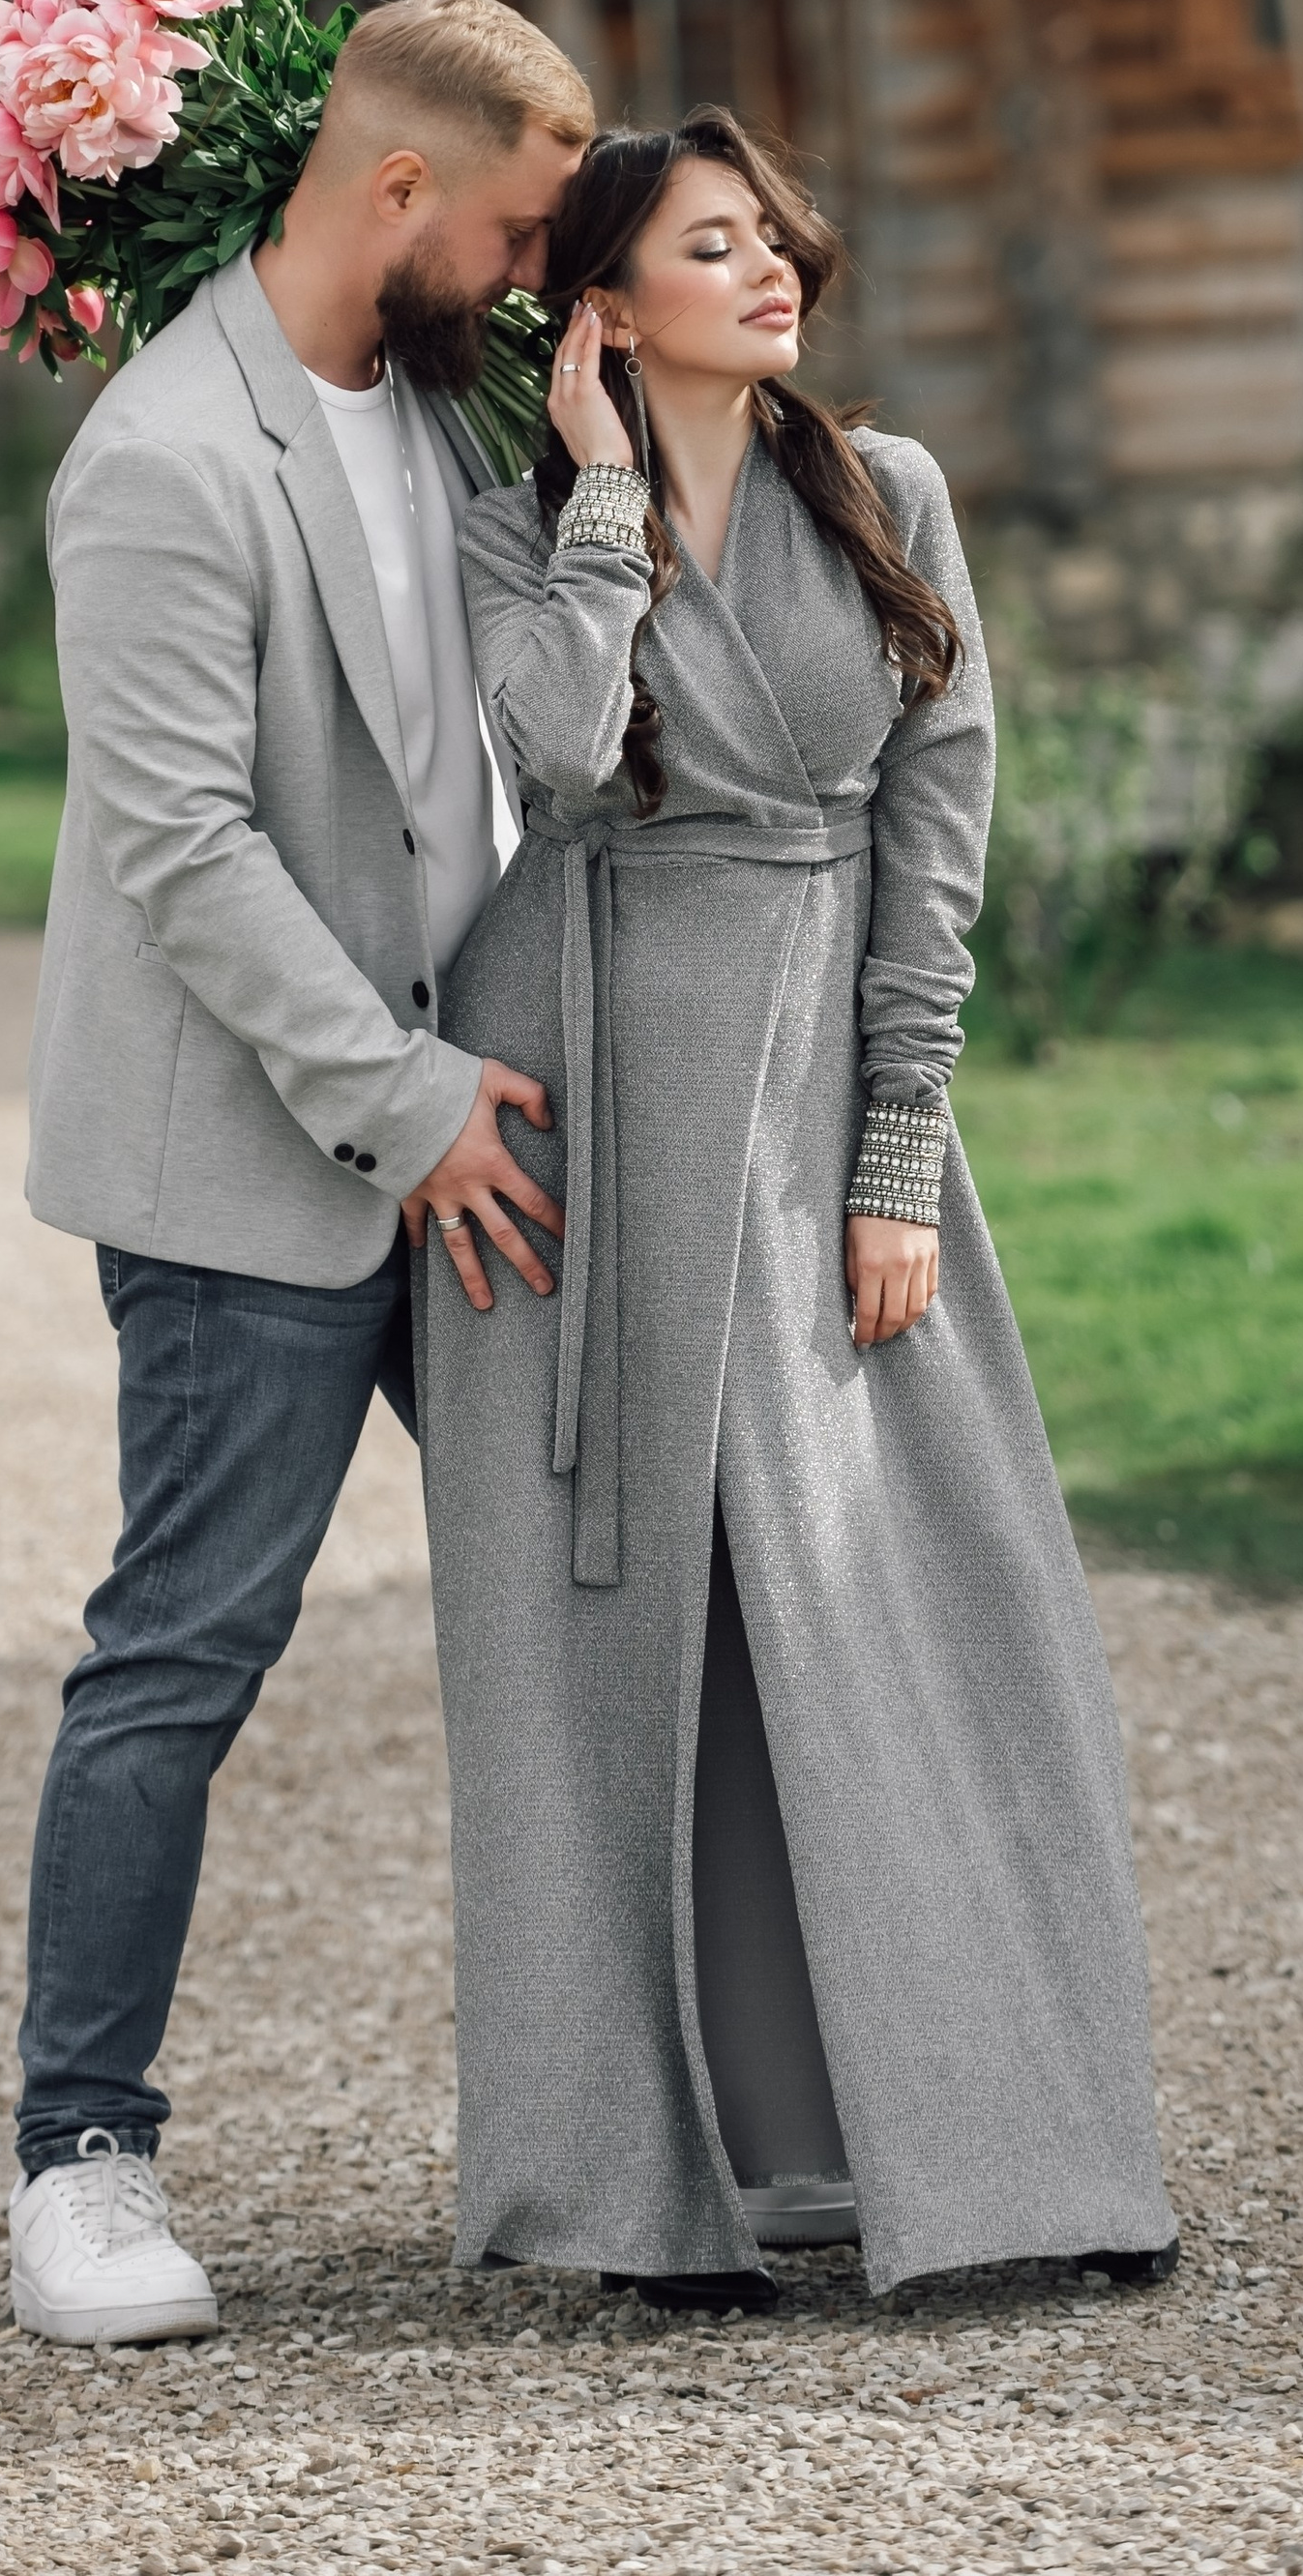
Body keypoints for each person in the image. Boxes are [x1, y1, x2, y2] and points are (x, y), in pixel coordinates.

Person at [415, 111, 1178, 2310]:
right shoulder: (514, 525)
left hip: (826, 1086)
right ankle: (663, 2184)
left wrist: (894, 1159)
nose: (771, 274)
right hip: (585, 1099)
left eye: (775, 240)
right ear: (602, 307)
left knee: (921, 1598)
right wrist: (598, 511)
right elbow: (555, 757)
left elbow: (938, 834)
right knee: (636, 1643)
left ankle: (994, 2143)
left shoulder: (889, 492)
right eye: (709, 246)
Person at [8, 0, 593, 2345]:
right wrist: (407, 1103)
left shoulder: (453, 405)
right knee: (180, 1654)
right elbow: (177, 845)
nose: (540, 265)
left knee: (605, 1586)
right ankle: (77, 2169)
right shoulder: (158, 459)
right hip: (261, 1157)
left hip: (477, 1120)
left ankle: (654, 2115)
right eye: (522, 224)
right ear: (393, 194)